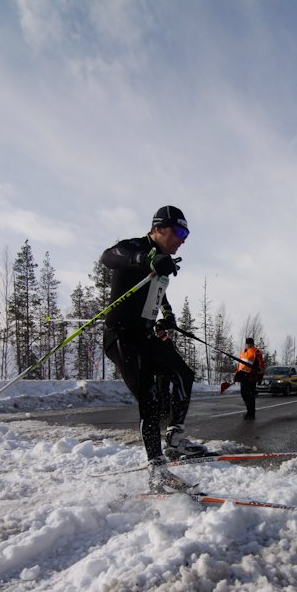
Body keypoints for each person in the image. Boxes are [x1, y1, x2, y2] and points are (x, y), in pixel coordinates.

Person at [101, 205, 206, 494]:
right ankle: (157, 471)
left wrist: (168, 317)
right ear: (159, 228)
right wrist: (146, 260)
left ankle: (175, 440)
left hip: (145, 335)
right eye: (179, 232)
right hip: (121, 337)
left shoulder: (163, 261)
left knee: (183, 374)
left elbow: (159, 292)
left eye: (186, 234)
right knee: (149, 397)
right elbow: (108, 257)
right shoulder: (136, 248)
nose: (182, 239)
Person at [234, 338, 264, 419]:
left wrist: (261, 374)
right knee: (243, 394)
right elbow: (240, 365)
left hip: (251, 377)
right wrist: (237, 374)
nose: (249, 345)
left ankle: (251, 413)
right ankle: (249, 410)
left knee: (250, 395)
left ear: (253, 344)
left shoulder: (256, 352)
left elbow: (261, 364)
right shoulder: (243, 352)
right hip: (243, 377)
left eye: (251, 343)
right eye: (248, 343)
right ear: (245, 344)